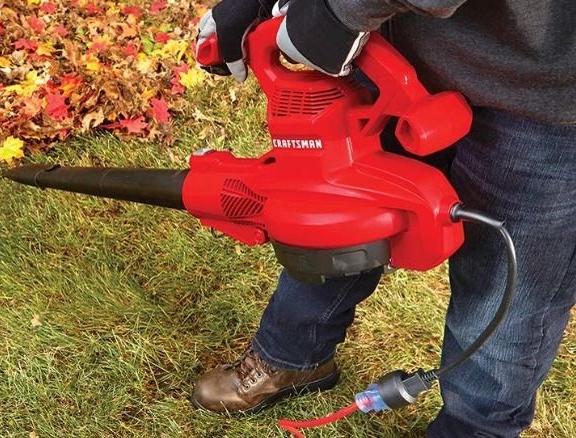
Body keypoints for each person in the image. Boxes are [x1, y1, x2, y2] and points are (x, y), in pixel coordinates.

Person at [189, 0, 576, 436]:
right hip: (388, 52)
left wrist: (339, 12)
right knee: (327, 212)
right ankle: (293, 357)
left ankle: (472, 427)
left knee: (507, 287)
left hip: (546, 97)